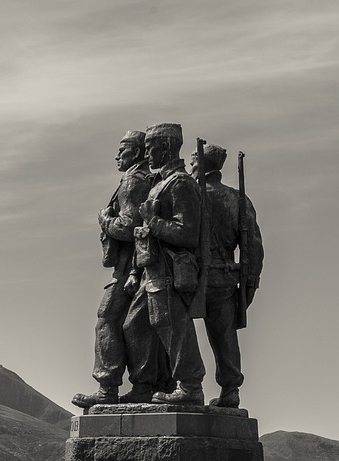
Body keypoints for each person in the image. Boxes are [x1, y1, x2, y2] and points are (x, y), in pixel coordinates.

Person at [123, 122, 207, 405]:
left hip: (170, 270)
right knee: (135, 326)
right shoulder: (160, 183)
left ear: (167, 147)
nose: (147, 155)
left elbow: (187, 233)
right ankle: (143, 385)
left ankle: (191, 386)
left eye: (150, 148)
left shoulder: (181, 184)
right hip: (151, 269)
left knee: (174, 326)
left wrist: (153, 220)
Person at [72, 131, 154, 408]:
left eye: (124, 150)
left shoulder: (133, 180)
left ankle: (108, 389)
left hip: (132, 267)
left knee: (107, 318)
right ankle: (144, 385)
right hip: (139, 265)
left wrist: (105, 221)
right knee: (138, 326)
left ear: (138, 152)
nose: (117, 156)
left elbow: (129, 226)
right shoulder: (143, 177)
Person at [190, 144, 264, 408]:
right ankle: (230, 390)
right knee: (225, 336)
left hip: (192, 279)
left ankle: (186, 385)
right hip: (225, 278)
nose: (190, 166)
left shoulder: (192, 195)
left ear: (201, 163)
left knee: (179, 330)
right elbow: (253, 247)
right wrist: (250, 283)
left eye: (192, 160)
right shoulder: (238, 199)